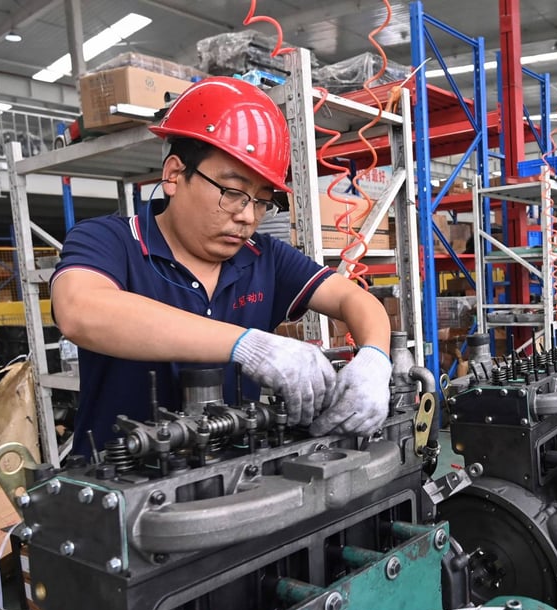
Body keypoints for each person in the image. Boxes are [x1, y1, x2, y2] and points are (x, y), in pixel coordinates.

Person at [50, 77, 393, 456]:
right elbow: (80, 312)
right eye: (233, 192)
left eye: (262, 201)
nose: (247, 217)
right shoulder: (110, 241)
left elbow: (353, 300)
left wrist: (375, 359)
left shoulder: (264, 257)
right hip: (121, 485)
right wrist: (248, 345)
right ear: (175, 175)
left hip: (234, 481)